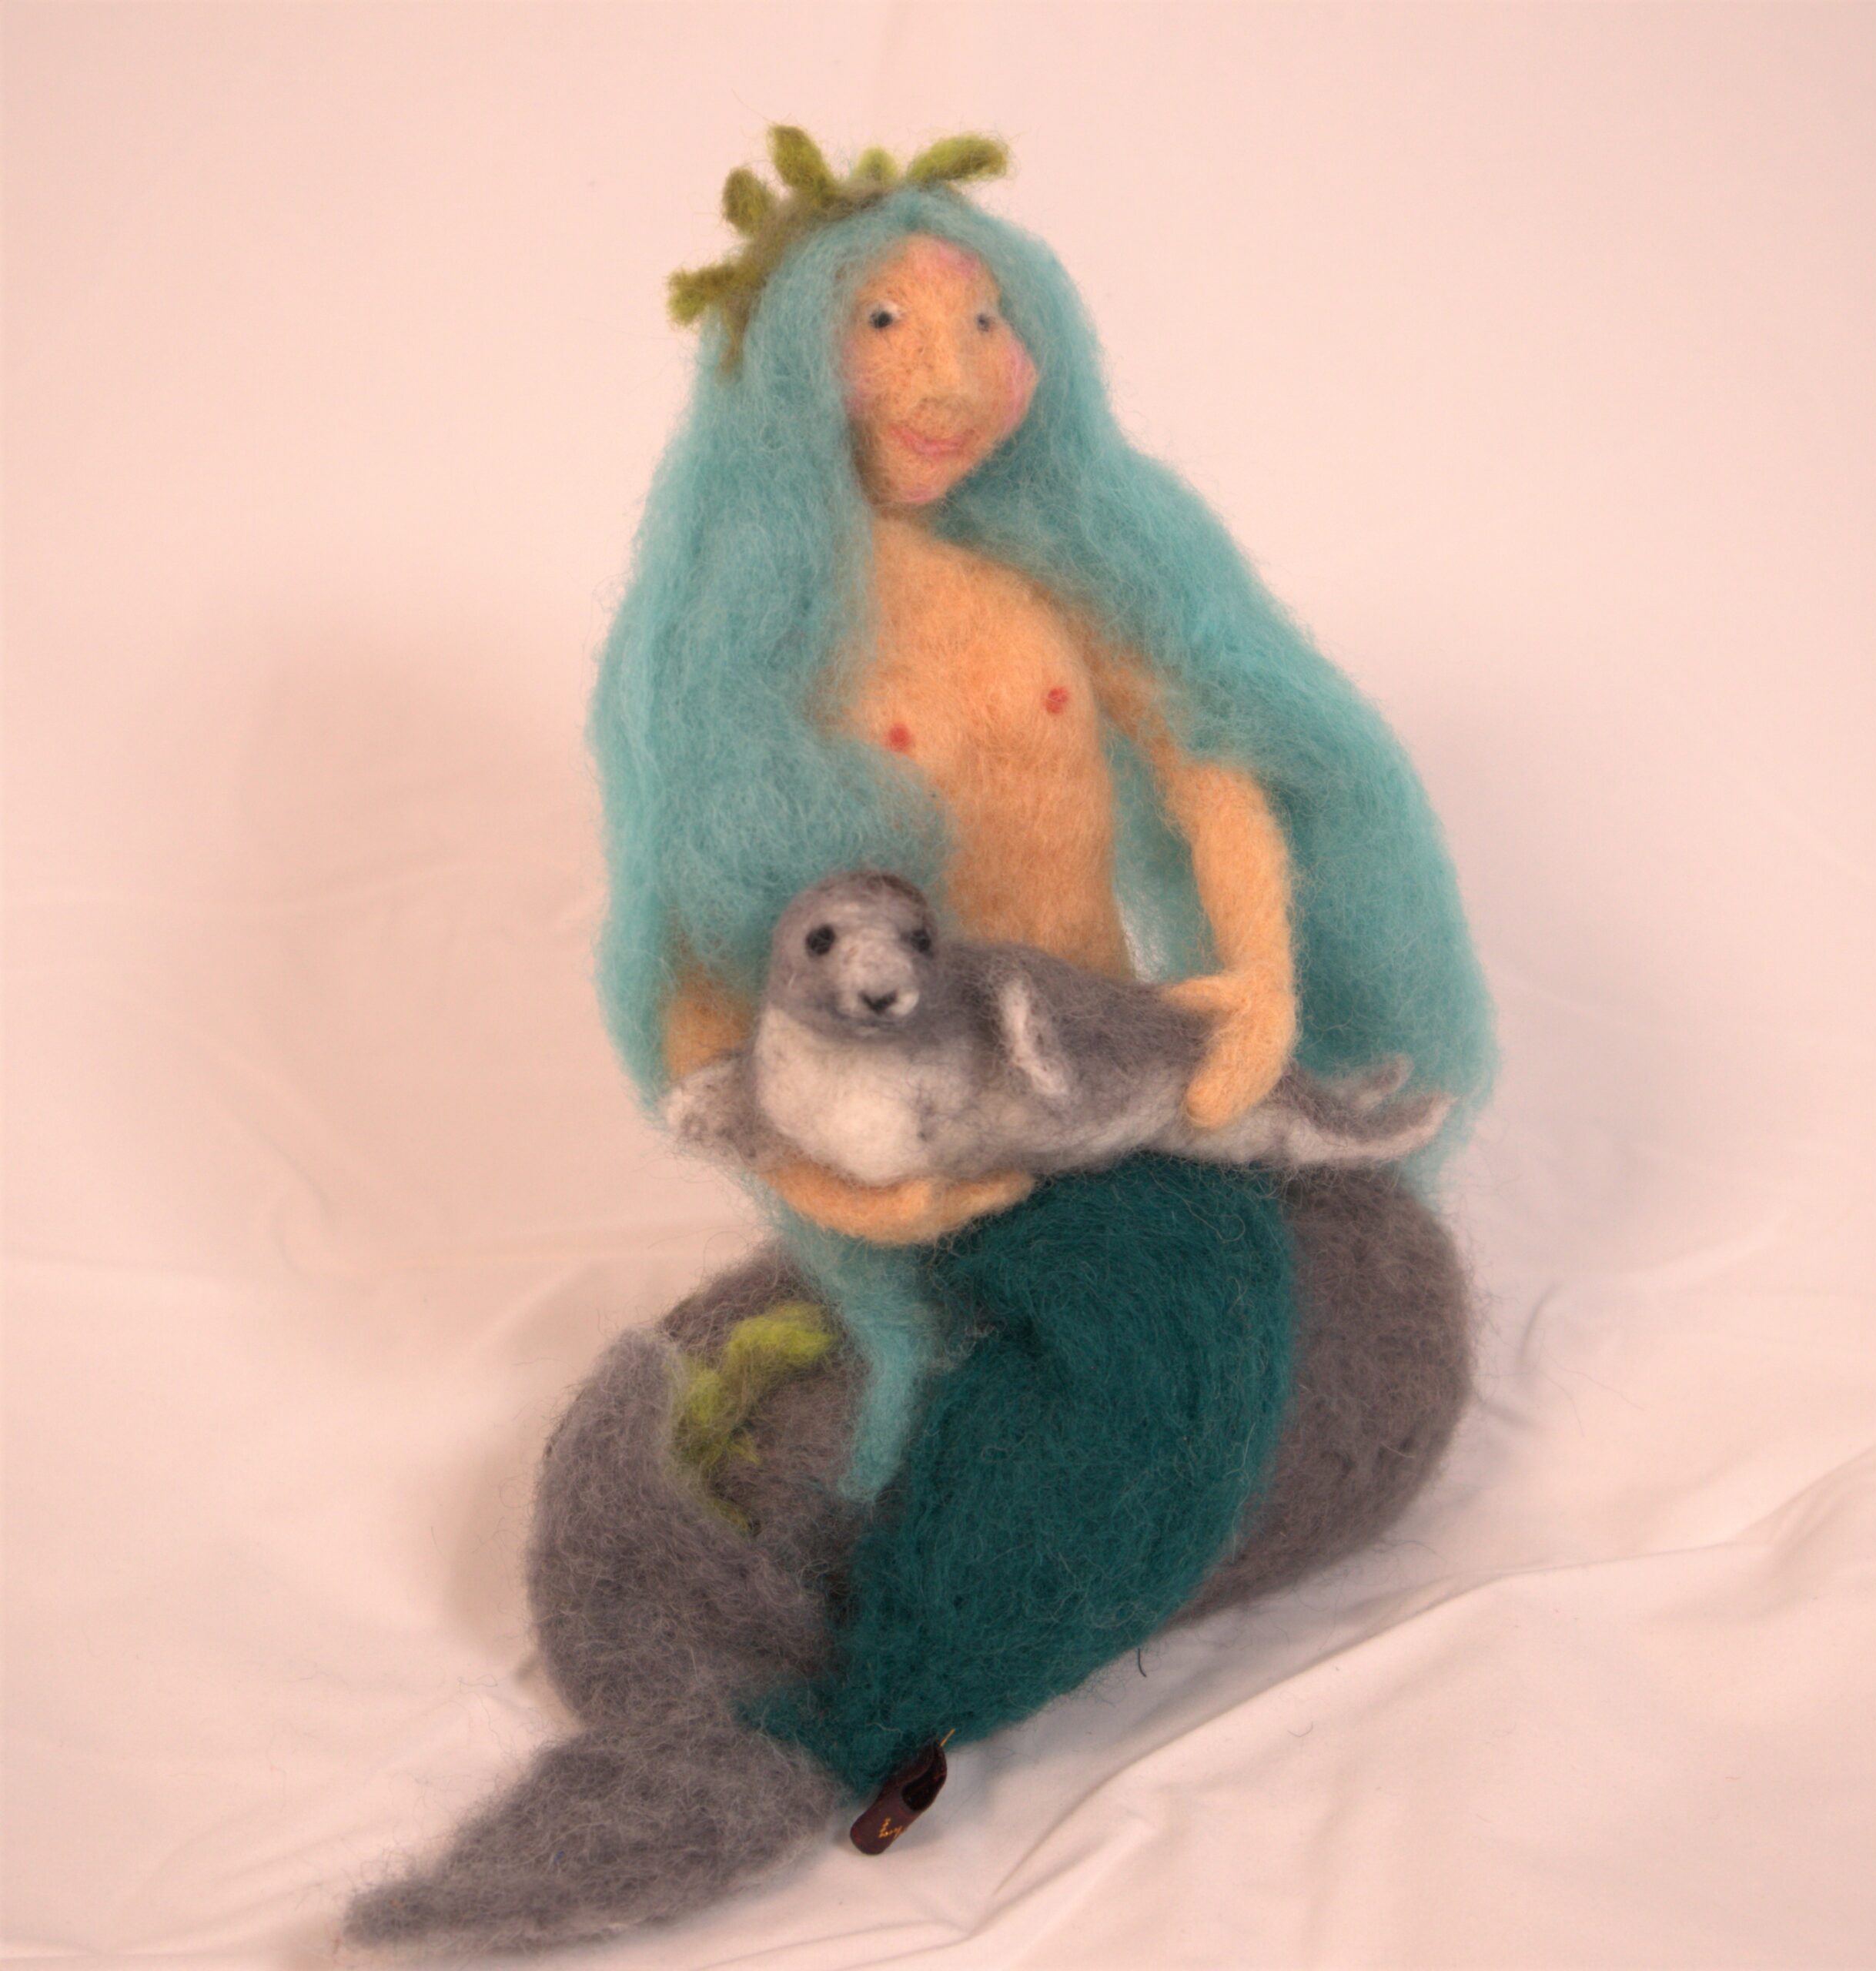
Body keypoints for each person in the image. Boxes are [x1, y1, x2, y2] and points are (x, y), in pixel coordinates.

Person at [343, 133, 1493, 1953]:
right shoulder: (760, 644)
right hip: (933, 1120)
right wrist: (857, 1192)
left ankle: (869, 1681)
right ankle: (854, 1716)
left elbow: (1212, 750)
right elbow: (724, 977)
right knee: (1168, 1336)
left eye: (982, 321)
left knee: (1282, 1287)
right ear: (795, 366)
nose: (945, 374)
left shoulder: (1058, 571)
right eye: (882, 323)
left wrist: (1258, 980)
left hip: (1094, 1079)